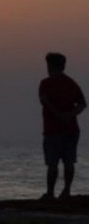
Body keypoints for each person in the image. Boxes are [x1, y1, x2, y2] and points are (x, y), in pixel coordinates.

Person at [39, 52, 86, 200]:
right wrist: (70, 114)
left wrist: (61, 115)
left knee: (53, 164)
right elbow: (83, 104)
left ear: (50, 66)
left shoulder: (45, 84)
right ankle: (66, 191)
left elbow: (45, 101)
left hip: (54, 130)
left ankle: (51, 193)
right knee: (69, 162)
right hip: (70, 129)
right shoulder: (71, 83)